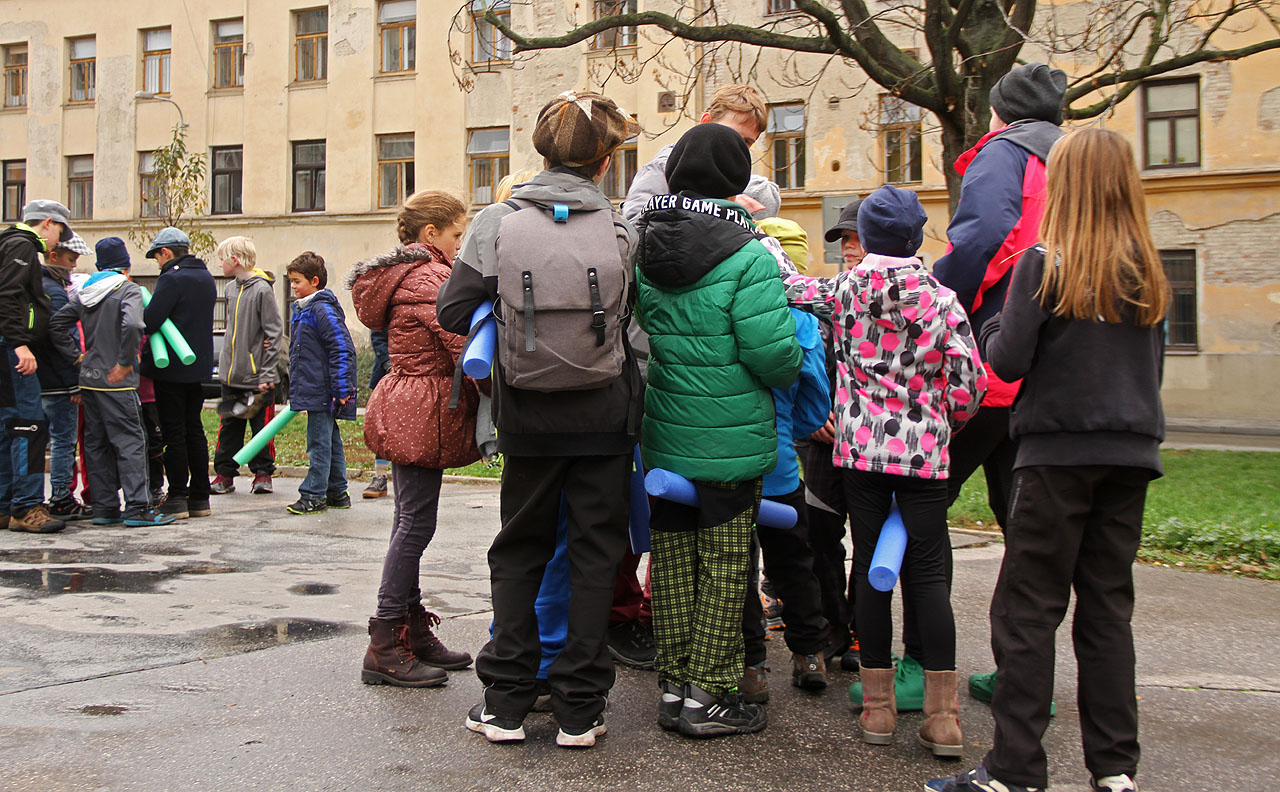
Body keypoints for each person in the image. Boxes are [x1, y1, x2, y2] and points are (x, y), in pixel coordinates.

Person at [928, 128, 1168, 792]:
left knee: (1028, 610)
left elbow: (1007, 361)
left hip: (1057, 451)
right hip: (1131, 452)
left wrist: (991, 324)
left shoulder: (1044, 263)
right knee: (1107, 611)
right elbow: (1153, 368)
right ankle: (1115, 770)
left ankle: (1014, 770)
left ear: (1064, 184)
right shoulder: (1148, 268)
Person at [438, 90, 642, 749]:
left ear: (541, 152)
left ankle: (505, 701)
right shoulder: (620, 228)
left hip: (527, 414)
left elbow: (451, 309)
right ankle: (580, 707)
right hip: (605, 415)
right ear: (605, 162)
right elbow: (634, 319)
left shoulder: (497, 222)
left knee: (520, 550)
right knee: (594, 554)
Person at [779, 185, 986, 755]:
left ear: (864, 236)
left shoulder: (844, 289)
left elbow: (791, 285)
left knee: (871, 568)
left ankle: (877, 711)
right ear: (917, 238)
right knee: (928, 575)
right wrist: (943, 423)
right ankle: (943, 719)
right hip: (925, 456)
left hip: (861, 454)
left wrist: (754, 235)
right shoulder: (941, 299)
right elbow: (971, 385)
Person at [634, 123, 802, 738]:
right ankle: (710, 695)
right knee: (727, 567)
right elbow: (772, 355)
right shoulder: (750, 254)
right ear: (735, 180)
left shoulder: (646, 246)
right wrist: (793, 363)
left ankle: (674, 687)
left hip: (666, 429)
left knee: (675, 561)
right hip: (731, 437)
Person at [931, 61, 1067, 709]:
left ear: (1001, 112)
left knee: (923, 504)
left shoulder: (1003, 153)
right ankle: (1023, 677)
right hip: (1053, 373)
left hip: (988, 367)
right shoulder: (1074, 162)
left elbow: (982, 239)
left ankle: (921, 666)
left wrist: (944, 304)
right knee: (1027, 526)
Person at [348, 189, 480, 686]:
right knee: (415, 524)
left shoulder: (407, 273)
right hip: (422, 408)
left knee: (409, 520)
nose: (459, 243)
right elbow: (464, 345)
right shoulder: (429, 277)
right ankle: (385, 642)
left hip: (408, 401)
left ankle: (411, 628)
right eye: (456, 234)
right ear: (431, 233)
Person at [49, 237, 175, 527]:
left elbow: (56, 324)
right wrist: (126, 361)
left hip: (89, 379)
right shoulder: (127, 289)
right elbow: (134, 324)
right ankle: (138, 508)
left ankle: (105, 507)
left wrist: (76, 357)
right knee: (131, 440)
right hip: (117, 381)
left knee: (96, 442)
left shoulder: (85, 292)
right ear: (125, 266)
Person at [804, 197, 865, 672]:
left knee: (871, 538)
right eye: (843, 238)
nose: (848, 246)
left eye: (856, 237)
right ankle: (833, 626)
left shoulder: (912, 296)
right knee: (820, 533)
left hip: (871, 443)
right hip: (823, 439)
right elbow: (804, 364)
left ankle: (864, 628)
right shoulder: (826, 297)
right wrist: (814, 414)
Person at [0, 200, 74, 534]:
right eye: (59, 232)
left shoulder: (8, 243)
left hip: (5, 347)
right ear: (47, 223)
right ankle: (27, 506)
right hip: (12, 348)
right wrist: (19, 343)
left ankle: (5, 505)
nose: (58, 242)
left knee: (8, 427)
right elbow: (8, 295)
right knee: (29, 426)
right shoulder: (22, 246)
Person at [142, 227, 216, 521]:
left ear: (166, 252)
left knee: (173, 432)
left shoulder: (171, 278)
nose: (158, 263)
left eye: (157, 257)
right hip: (198, 368)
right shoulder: (206, 277)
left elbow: (151, 320)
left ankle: (176, 497)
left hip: (170, 367)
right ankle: (199, 497)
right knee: (194, 429)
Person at [621, 84, 772, 223]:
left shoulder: (739, 178)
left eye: (746, 142)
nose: (736, 145)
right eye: (729, 134)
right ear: (706, 122)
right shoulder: (662, 168)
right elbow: (635, 224)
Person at [284, 252, 357, 515]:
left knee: (318, 443)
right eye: (291, 281)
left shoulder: (321, 309)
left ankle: (313, 495)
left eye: (297, 281)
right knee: (330, 440)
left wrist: (341, 388)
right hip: (315, 388)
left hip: (321, 390)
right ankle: (337, 491)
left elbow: (341, 348)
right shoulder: (305, 309)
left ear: (314, 281)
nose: (293, 286)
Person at [210, 236, 283, 497]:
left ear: (235, 259)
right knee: (229, 427)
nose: (220, 264)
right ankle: (225, 474)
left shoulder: (262, 290)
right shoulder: (230, 289)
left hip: (257, 377)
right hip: (232, 375)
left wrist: (266, 372)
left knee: (261, 429)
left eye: (222, 259)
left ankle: (263, 474)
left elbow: (274, 332)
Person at [35, 232, 91, 521]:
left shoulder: (35, 285)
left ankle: (31, 498)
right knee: (63, 442)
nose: (74, 265)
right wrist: (74, 381)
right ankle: (60, 497)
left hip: (38, 378)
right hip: (58, 381)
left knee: (35, 442)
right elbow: (62, 338)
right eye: (71, 259)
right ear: (54, 256)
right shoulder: (55, 291)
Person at [362, 328, 390, 499]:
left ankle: (413, 480)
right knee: (381, 427)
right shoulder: (386, 310)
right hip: (386, 374)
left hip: (417, 374)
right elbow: (378, 335)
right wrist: (388, 364)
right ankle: (380, 476)